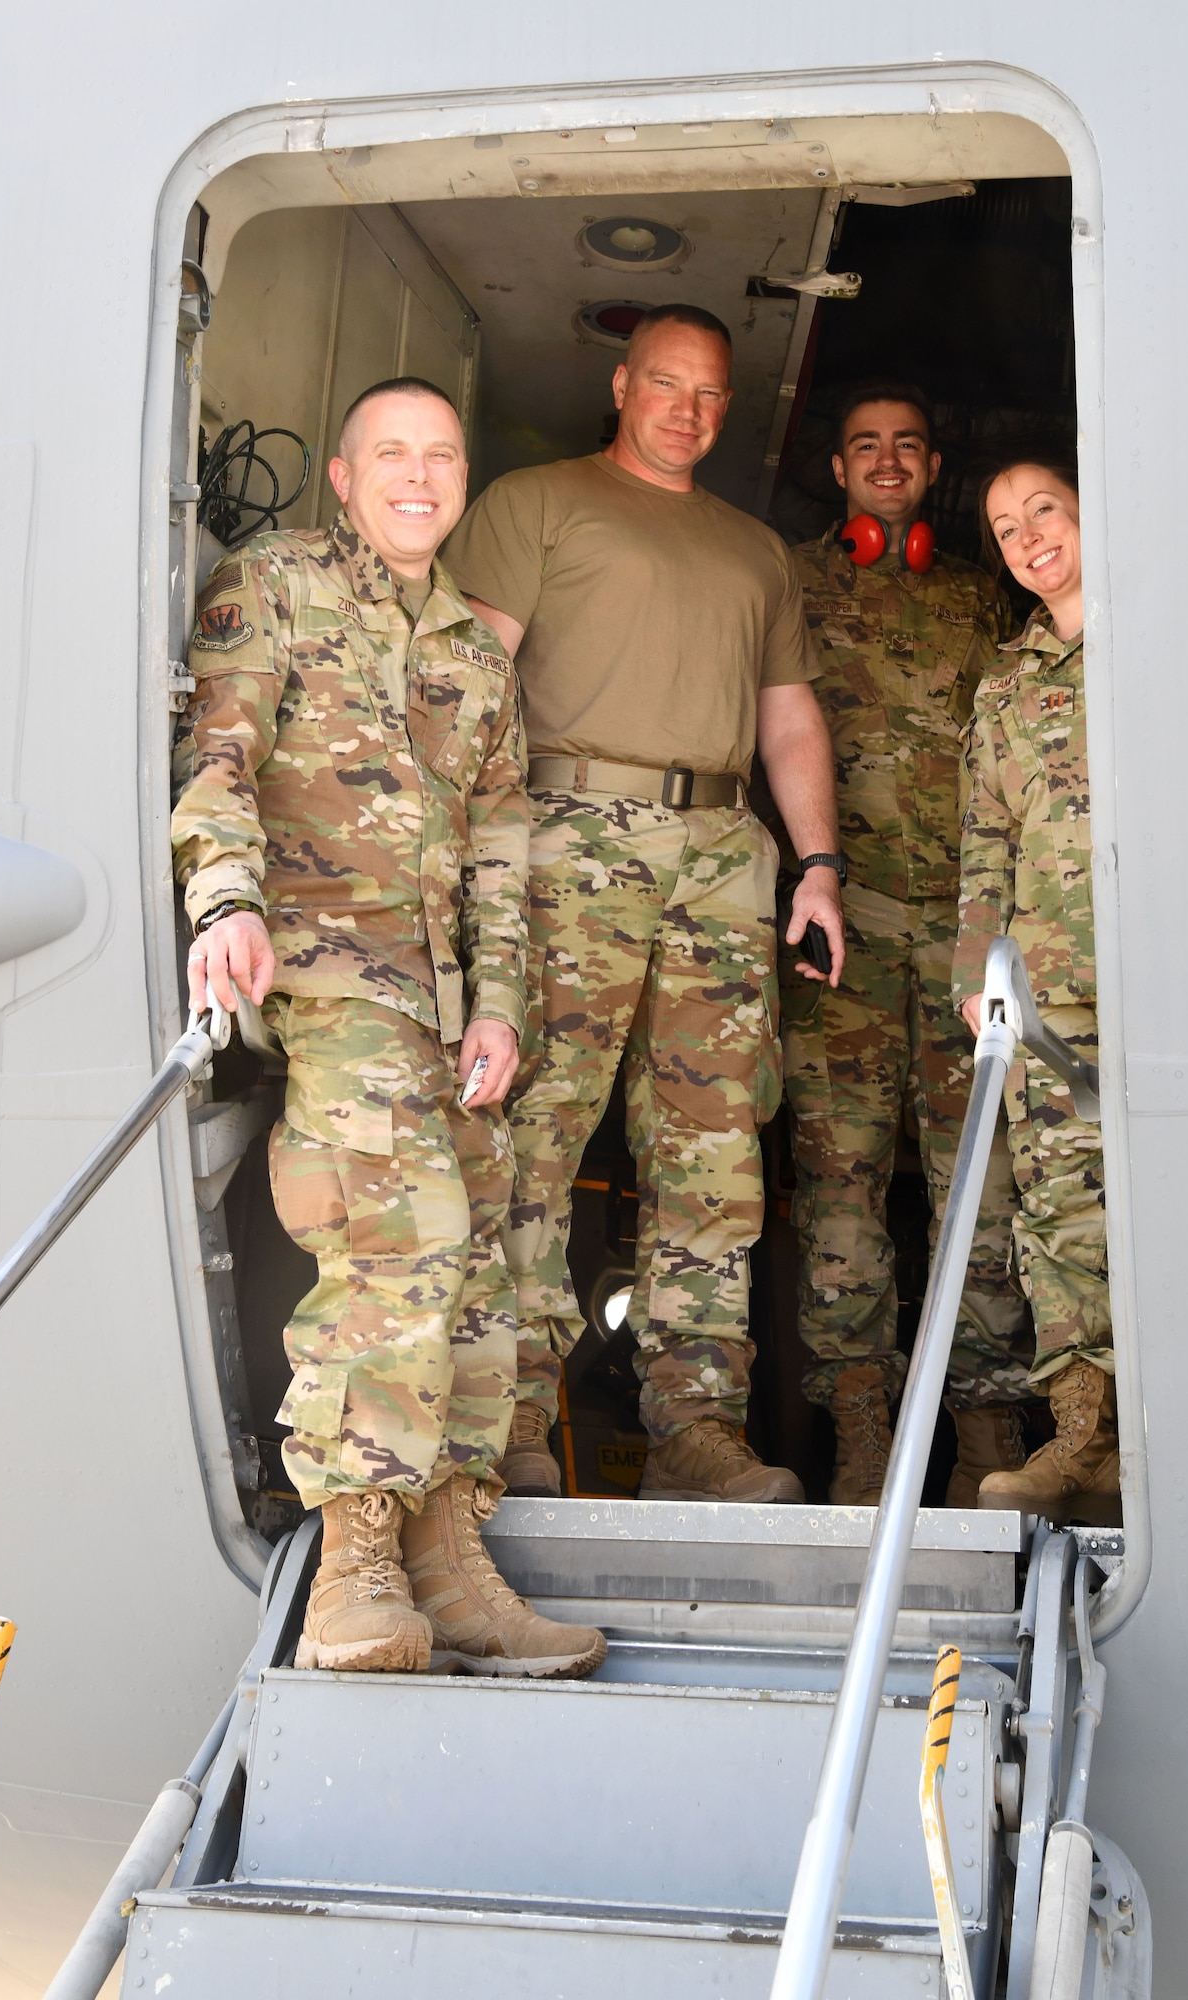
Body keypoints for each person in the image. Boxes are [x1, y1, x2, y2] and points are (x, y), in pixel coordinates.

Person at [171, 377, 605, 1676]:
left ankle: (448, 1565)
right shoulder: (279, 582)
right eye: (392, 455)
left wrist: (502, 1006)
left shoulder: (475, 647)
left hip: (441, 996)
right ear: (346, 477)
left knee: (473, 1264)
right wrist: (224, 900)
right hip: (325, 967)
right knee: (396, 1240)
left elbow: (499, 845)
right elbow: (221, 759)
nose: (419, 476)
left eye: (442, 456)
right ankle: (354, 1571)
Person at [444, 304, 845, 1504]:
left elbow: (788, 719)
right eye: (667, 384)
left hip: (723, 848)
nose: (689, 409)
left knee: (714, 1149)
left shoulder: (756, 550)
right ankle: (510, 1410)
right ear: (621, 385)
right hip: (571, 829)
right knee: (537, 1132)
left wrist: (816, 862)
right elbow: (473, 678)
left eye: (712, 393)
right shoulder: (537, 502)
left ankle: (696, 1425)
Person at [779, 385, 1032, 1506]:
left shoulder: (986, 604)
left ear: (933, 471)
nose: (886, 462)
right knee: (836, 1187)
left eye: (907, 447)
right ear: (838, 471)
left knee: (981, 1181)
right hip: (843, 934)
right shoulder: (788, 582)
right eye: (864, 446)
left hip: (965, 936)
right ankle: (862, 1438)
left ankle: (985, 1442)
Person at [954, 458, 1119, 1519]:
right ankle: (1084, 1439)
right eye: (1005, 527)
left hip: (1176, 972)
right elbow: (986, 841)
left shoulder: (1167, 632)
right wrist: (980, 973)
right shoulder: (1006, 683)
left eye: (1043, 510)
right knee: (1059, 1212)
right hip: (1049, 993)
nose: (1027, 537)